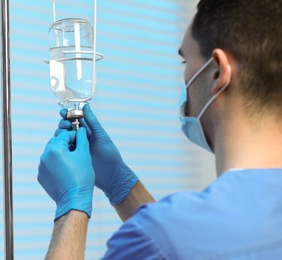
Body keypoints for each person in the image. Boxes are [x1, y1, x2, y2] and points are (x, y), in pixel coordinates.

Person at [37, 0, 282, 259]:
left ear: (218, 72)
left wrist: (72, 206)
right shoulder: (175, 235)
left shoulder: (158, 236)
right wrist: (120, 183)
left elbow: (167, 243)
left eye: (184, 60)